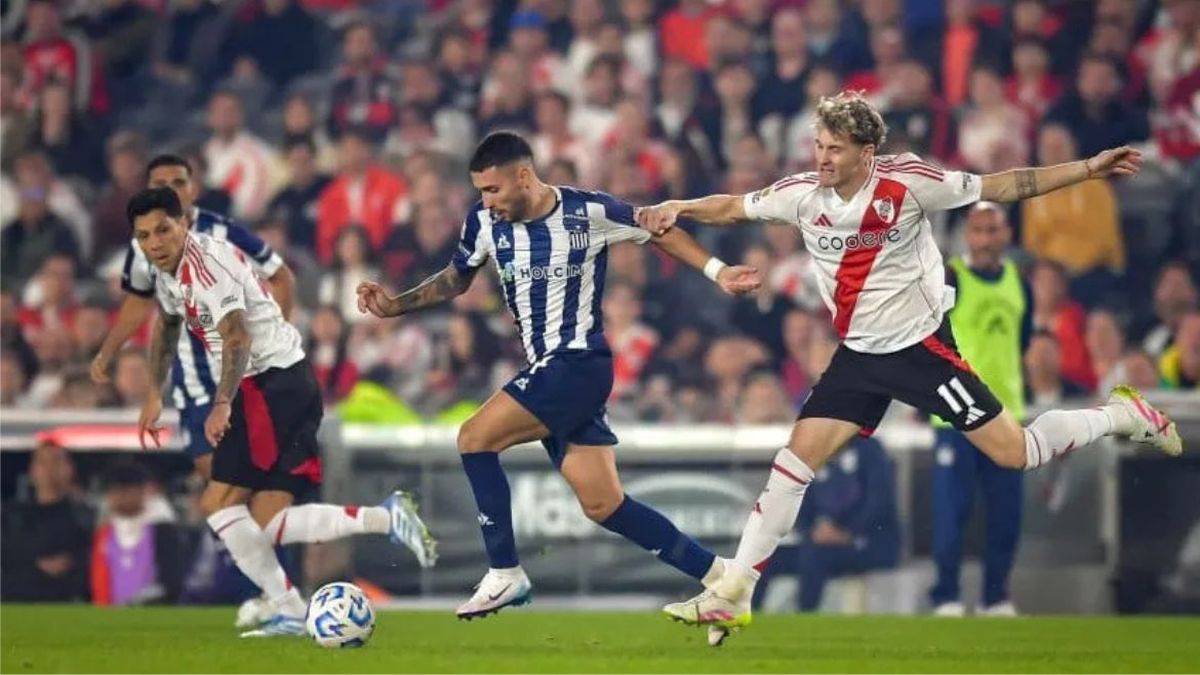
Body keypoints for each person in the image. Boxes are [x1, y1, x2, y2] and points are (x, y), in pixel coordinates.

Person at [635, 91, 1182, 644]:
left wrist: (1087, 169)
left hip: (921, 350)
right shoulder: (801, 195)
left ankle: (1119, 415)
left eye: (836, 149)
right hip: (858, 356)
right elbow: (733, 205)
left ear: (868, 152)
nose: (822, 158)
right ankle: (735, 592)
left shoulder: (911, 183)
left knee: (1016, 454)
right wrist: (681, 207)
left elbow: (1007, 184)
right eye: (818, 146)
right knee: (794, 461)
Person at [355, 131, 761, 620]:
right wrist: (397, 306)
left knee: (473, 438)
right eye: (481, 190)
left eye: (494, 189)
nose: (487, 201)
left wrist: (718, 271)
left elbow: (658, 229)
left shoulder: (586, 212)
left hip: (577, 362)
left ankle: (505, 572)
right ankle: (724, 579)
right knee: (604, 504)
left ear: (523, 176)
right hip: (549, 368)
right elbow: (456, 278)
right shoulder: (484, 224)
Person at [128, 187, 437, 637]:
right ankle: (388, 518)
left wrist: (221, 403)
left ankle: (289, 609)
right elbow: (169, 324)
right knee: (267, 522)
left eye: (163, 229)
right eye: (144, 236)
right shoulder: (167, 272)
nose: (155, 242)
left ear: (183, 225)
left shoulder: (207, 268)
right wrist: (155, 392)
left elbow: (237, 339)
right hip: (290, 383)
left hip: (267, 386)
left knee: (217, 504)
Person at [929, 203, 1032, 618]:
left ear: (1006, 234)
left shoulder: (1018, 282)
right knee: (951, 513)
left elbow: (1020, 342)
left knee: (1006, 514)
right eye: (979, 230)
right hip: (956, 414)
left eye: (994, 230)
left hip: (1007, 416)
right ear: (967, 235)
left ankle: (996, 597)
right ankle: (947, 596)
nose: (987, 239)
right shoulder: (950, 278)